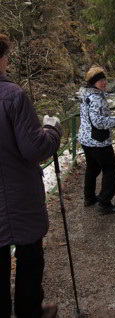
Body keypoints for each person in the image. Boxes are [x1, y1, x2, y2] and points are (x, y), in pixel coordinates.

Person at [0, 34, 62, 318]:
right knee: (29, 256)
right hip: (18, 196)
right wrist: (52, 130)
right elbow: (34, 148)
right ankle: (29, 312)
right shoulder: (12, 96)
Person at [78, 66, 115, 213]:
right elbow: (99, 122)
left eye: (104, 80)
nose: (104, 83)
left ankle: (89, 197)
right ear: (94, 83)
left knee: (93, 167)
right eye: (100, 81)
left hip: (86, 139)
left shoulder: (86, 96)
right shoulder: (96, 98)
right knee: (110, 169)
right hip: (98, 141)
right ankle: (104, 202)